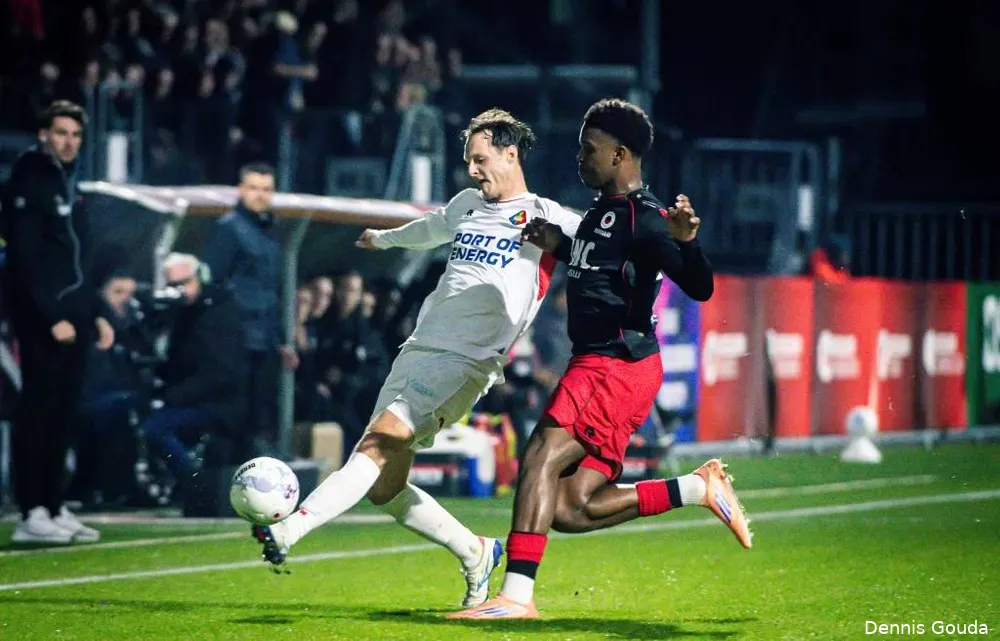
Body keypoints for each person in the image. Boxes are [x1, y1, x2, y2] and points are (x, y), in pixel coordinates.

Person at [252, 109, 581, 609]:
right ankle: (475, 552)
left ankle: (290, 530)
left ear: (510, 154)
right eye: (468, 160)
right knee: (385, 486)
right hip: (420, 348)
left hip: (467, 361)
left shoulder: (547, 216)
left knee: (376, 442)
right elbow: (429, 229)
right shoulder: (467, 204)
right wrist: (383, 239)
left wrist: (662, 245)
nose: (472, 170)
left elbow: (605, 243)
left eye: (480, 159)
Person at [451, 99, 752, 620]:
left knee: (540, 455)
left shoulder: (647, 218)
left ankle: (515, 597)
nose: (580, 157)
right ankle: (695, 487)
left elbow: (700, 286)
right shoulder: (600, 212)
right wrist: (559, 243)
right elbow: (603, 264)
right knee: (569, 507)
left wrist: (689, 244)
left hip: (614, 364)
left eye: (589, 149)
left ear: (620, 155)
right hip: (609, 367)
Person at [2, 100, 114, 544]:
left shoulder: (71, 182)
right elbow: (25, 258)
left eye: (76, 135)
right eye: (61, 133)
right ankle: (30, 511)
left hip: (76, 315)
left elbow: (81, 259)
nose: (69, 142)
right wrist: (51, 316)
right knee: (39, 412)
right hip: (43, 318)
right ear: (43, 134)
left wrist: (98, 313)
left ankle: (53, 503)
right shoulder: (28, 178)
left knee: (65, 413)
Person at [201, 163, 297, 451]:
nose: (260, 195)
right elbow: (213, 282)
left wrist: (281, 339)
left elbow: (272, 290)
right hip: (235, 337)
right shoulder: (228, 228)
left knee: (259, 411)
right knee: (235, 413)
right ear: (241, 190)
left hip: (263, 338)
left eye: (266, 189)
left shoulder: (270, 231)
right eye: (254, 188)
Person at [141, 254, 249, 492]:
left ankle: (194, 486)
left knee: (156, 429)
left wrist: (172, 397)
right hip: (192, 398)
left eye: (186, 282)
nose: (181, 290)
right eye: (174, 285)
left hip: (218, 404)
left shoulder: (220, 314)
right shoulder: (181, 314)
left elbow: (220, 373)